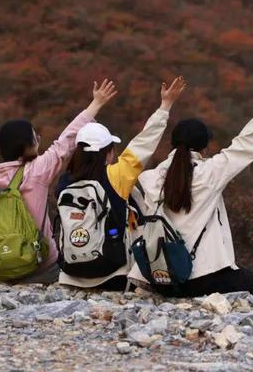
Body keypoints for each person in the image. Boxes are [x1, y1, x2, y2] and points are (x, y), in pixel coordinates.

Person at [127, 70, 253, 297]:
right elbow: (246, 144)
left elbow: (139, 147)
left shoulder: (150, 178)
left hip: (157, 278)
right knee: (252, 288)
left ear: (172, 144)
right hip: (199, 279)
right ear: (204, 147)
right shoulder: (210, 173)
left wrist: (164, 107)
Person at [0, 79, 117, 284]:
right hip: (42, 268)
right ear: (28, 146)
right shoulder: (37, 170)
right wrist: (95, 104)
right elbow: (66, 141)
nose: (39, 140)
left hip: (2, 269)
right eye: (36, 138)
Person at [56, 76, 186, 290]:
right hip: (112, 273)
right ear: (107, 152)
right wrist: (165, 106)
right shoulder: (116, 176)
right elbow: (144, 143)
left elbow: (65, 138)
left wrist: (94, 104)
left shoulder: (64, 183)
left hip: (70, 272)